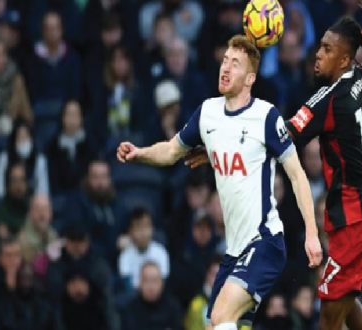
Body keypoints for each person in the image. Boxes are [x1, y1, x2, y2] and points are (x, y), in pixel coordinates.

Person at [185, 1, 362, 329]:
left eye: (326, 49)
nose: (318, 54)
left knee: (328, 316)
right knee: (346, 299)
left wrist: (218, 147)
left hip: (357, 218)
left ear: (343, 59)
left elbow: (279, 137)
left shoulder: (327, 101)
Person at [116, 35, 323, 330]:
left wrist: (312, 234)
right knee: (216, 322)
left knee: (223, 313)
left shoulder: (266, 116)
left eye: (235, 64)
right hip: (234, 249)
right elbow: (172, 151)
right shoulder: (207, 113)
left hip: (264, 242)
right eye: (225, 60)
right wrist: (140, 154)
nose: (225, 68)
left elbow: (297, 175)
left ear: (250, 78)